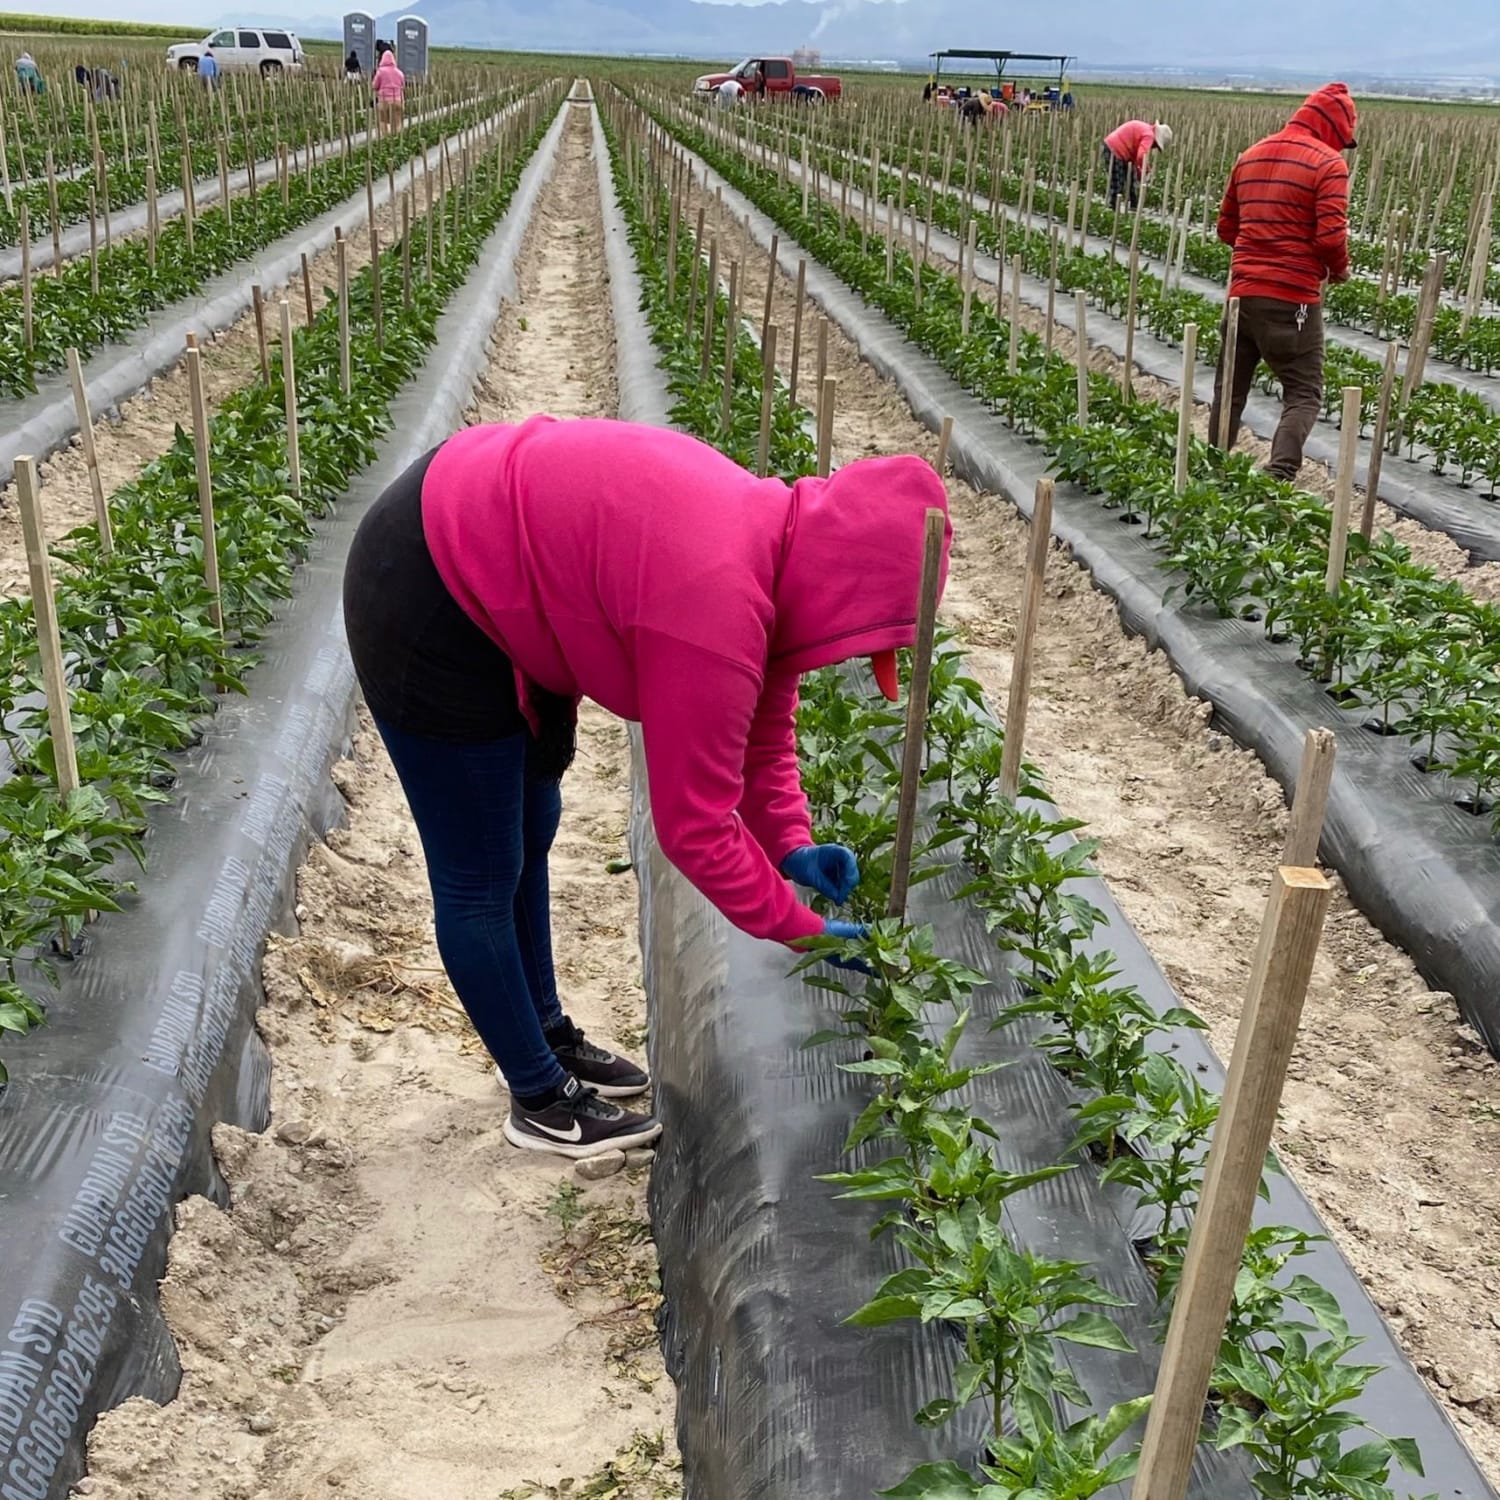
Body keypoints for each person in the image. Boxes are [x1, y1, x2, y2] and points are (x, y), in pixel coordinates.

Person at [342, 417, 951, 1160]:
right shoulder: (717, 599)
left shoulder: (781, 550)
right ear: (847, 590)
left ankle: (546, 1031)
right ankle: (538, 1098)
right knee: (480, 873)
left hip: (501, 561)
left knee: (532, 823)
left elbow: (762, 731)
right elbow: (693, 825)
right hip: (428, 585)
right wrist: (800, 929)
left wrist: (792, 844)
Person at [1209, 83, 1357, 482]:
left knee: (1230, 391)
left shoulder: (1251, 154)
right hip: (1293, 301)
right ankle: (1278, 477)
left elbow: (1226, 229)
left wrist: (1259, 247)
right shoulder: (1328, 165)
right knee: (1303, 392)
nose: (1343, 149)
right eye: (1343, 139)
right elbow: (1330, 238)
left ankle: (1212, 472)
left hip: (1242, 297)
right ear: (1331, 129)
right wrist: (1338, 270)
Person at [1102, 119, 1172, 209]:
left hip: (1117, 149)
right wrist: (1146, 169)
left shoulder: (1146, 130)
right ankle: (1113, 208)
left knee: (1131, 179)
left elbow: (1136, 158)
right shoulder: (1149, 136)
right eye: (1156, 146)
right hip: (1115, 150)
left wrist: (1139, 172)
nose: (1153, 147)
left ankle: (1134, 205)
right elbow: (1141, 156)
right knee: (1118, 183)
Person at [372, 48, 405, 134]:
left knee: (383, 120)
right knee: (397, 122)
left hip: (384, 100)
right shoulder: (399, 73)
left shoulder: (380, 72)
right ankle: (396, 139)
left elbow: (374, 86)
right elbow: (403, 86)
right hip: (397, 100)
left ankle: (385, 139)